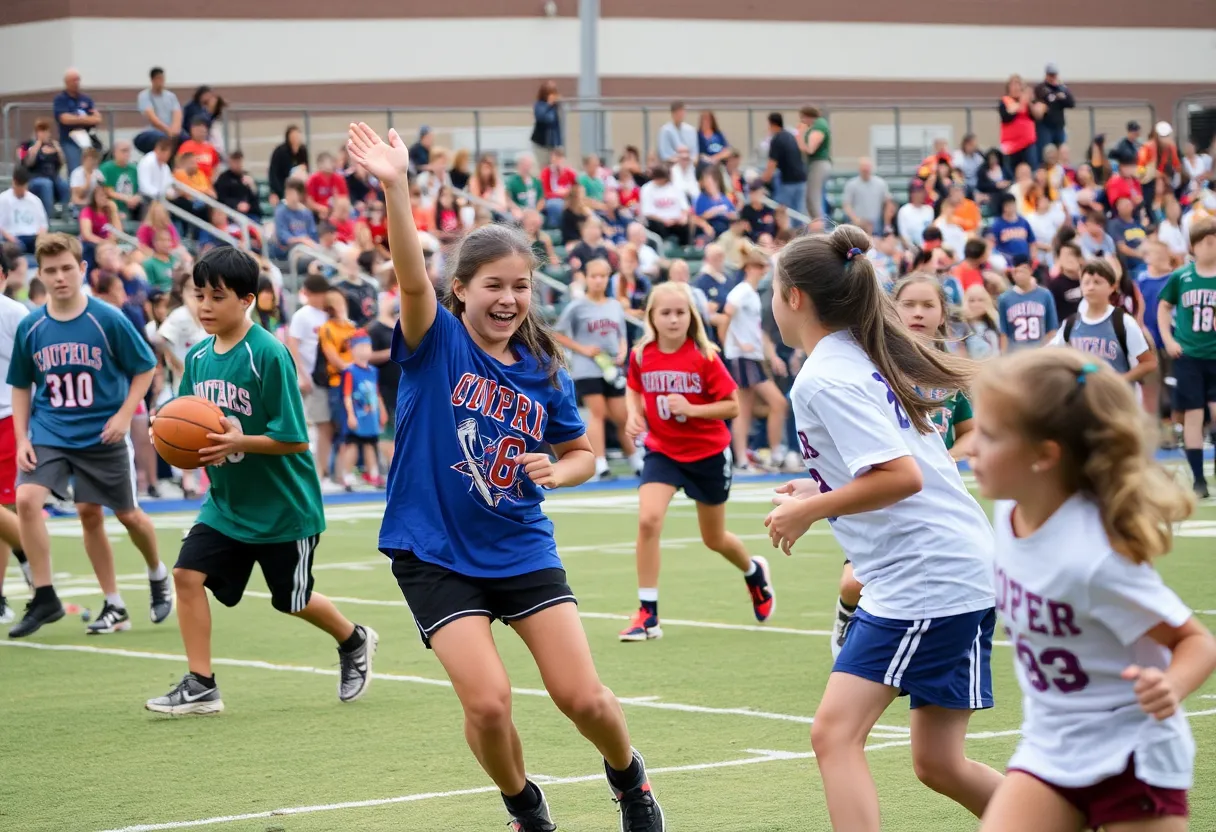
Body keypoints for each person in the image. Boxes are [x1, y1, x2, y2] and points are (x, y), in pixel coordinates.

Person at [346, 121, 664, 832]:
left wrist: (563, 470)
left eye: (521, 286)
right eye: (494, 285)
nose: (510, 298)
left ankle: (629, 779)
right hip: (432, 551)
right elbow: (407, 273)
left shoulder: (543, 371)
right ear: (460, 289)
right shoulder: (437, 341)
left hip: (520, 546)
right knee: (487, 704)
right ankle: (524, 804)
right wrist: (397, 186)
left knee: (582, 698)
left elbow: (584, 453)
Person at [766, 225, 1001, 830]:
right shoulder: (860, 357)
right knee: (940, 762)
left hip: (927, 575)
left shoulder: (825, 374)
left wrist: (811, 509)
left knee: (833, 734)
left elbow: (901, 477)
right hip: (960, 563)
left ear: (793, 297)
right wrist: (817, 488)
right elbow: (900, 465)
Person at [970, 349, 1216, 832]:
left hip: (1131, 758)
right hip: (1050, 750)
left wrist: (1170, 686)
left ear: (1045, 455)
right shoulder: (1007, 512)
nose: (971, 446)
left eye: (990, 435)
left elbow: (1195, 642)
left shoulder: (1094, 558)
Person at [144, 247, 376, 714]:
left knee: (291, 600)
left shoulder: (268, 354)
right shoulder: (198, 357)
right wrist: (163, 427)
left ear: (247, 300)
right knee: (186, 575)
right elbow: (186, 421)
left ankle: (353, 639)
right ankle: (201, 683)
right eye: (199, 296)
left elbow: (293, 440)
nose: (205, 306)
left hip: (282, 507)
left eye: (217, 296)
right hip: (228, 503)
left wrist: (237, 442)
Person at [6, 234, 171, 638]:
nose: (59, 277)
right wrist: (23, 437)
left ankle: (157, 571)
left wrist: (123, 414)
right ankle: (51, 596)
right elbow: (21, 385)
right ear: (39, 276)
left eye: (66, 269)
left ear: (81, 270)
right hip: (51, 430)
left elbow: (145, 368)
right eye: (51, 271)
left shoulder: (107, 318)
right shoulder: (32, 325)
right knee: (27, 498)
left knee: (122, 515)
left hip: (103, 433)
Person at [619, 281, 773, 643]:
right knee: (648, 520)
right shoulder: (642, 354)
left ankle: (754, 573)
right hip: (663, 452)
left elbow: (732, 405)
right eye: (666, 313)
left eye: (680, 312)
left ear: (691, 316)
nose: (673, 319)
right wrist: (632, 414)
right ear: (652, 317)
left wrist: (692, 409)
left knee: (714, 538)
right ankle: (647, 614)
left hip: (707, 455)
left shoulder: (704, 355)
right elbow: (633, 386)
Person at [554, 258, 634, 482]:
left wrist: (622, 351)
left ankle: (636, 459)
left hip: (611, 368)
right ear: (587, 278)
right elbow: (557, 333)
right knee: (597, 414)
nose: (598, 281)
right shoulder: (577, 306)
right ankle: (600, 463)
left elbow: (621, 335)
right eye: (594, 276)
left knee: (622, 415)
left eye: (603, 276)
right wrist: (583, 349)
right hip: (587, 367)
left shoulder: (614, 305)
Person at [1157, 216, 1216, 498]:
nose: (1212, 245)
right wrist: (1168, 339)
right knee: (1192, 417)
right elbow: (1164, 307)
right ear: (1193, 247)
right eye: (1207, 241)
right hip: (1189, 356)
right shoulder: (1181, 276)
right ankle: (1198, 479)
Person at [721, 249, 787, 473]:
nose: (764, 271)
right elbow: (725, 317)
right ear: (749, 268)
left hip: (751, 356)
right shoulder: (741, 292)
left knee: (745, 410)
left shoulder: (751, 293)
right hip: (743, 357)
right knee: (776, 403)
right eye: (760, 267)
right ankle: (774, 453)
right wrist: (734, 344)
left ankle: (742, 458)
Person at [1050, 259, 1155, 386]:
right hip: (1083, 399)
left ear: (1113, 287)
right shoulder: (1071, 324)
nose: (1091, 287)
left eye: (1097, 282)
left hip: (1114, 400)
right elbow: (1049, 354)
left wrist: (1121, 380)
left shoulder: (1123, 322)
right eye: (1086, 283)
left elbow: (1149, 362)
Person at [0, 251, 31, 624]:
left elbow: (34, 370)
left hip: (8, 418)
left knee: (5, 510)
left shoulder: (15, 315)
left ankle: (30, 560)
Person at [342, 329, 387, 488]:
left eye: (367, 347)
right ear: (353, 350)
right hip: (357, 414)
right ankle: (346, 477)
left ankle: (373, 474)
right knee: (352, 445)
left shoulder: (373, 371)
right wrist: (350, 415)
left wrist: (382, 411)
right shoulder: (350, 371)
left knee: (370, 445)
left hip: (371, 415)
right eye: (360, 347)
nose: (364, 351)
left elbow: (377, 393)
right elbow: (347, 395)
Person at [997, 259, 1059, 351]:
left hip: (1039, 352)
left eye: (1022, 270)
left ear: (1030, 271)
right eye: (1015, 271)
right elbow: (1004, 333)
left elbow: (1052, 329)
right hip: (1015, 354)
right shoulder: (1004, 298)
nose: (1019, 275)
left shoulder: (1045, 294)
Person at [761, 113, 808, 216]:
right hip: (802, 179)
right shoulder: (790, 136)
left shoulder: (777, 140)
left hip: (788, 182)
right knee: (799, 214)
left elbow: (771, 165)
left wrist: (762, 180)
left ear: (772, 124)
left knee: (784, 213)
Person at [20, 119, 69, 215]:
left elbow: (63, 162)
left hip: (52, 177)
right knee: (46, 184)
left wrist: (58, 149)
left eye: (46, 131)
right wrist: (37, 146)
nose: (44, 134)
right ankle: (48, 217)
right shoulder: (28, 145)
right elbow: (28, 163)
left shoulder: (53, 146)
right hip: (34, 179)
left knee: (64, 184)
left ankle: (65, 214)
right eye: (41, 131)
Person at [0, 168, 49, 254]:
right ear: (13, 182)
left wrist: (40, 239)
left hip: (32, 236)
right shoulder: (3, 199)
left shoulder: (35, 200)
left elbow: (43, 225)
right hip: (13, 236)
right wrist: (12, 239)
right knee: (15, 248)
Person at [134, 67, 182, 153]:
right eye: (158, 79)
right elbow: (152, 118)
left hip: (170, 131)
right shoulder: (144, 96)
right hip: (150, 132)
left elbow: (177, 114)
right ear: (152, 80)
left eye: (162, 79)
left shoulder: (171, 96)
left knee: (185, 139)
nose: (161, 81)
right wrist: (168, 131)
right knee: (160, 138)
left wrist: (175, 130)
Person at [797, 105, 832, 220]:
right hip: (815, 164)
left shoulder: (819, 126)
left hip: (819, 163)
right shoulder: (816, 125)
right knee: (810, 199)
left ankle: (820, 226)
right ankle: (816, 223)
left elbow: (810, 149)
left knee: (814, 198)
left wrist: (800, 134)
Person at [268, 126, 309, 205]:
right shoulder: (280, 151)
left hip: (299, 186)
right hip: (282, 185)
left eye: (297, 136)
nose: (296, 139)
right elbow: (273, 173)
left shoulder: (302, 150)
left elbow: (306, 168)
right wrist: (274, 192)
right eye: (293, 136)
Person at [531, 81, 563, 167]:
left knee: (555, 168)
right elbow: (545, 118)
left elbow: (558, 125)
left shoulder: (556, 106)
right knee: (545, 168)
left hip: (553, 144)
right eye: (550, 94)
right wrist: (549, 105)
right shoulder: (539, 105)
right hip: (541, 143)